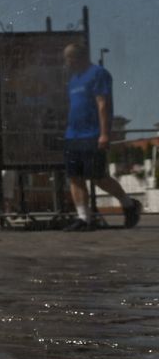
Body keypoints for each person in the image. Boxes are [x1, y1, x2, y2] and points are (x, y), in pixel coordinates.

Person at [61, 42, 141, 232]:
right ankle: (83, 218)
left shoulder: (98, 74)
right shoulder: (73, 80)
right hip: (73, 135)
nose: (66, 62)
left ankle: (129, 204)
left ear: (78, 57)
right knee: (74, 177)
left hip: (92, 134)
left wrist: (104, 133)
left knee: (97, 176)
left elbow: (102, 103)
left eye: (69, 58)